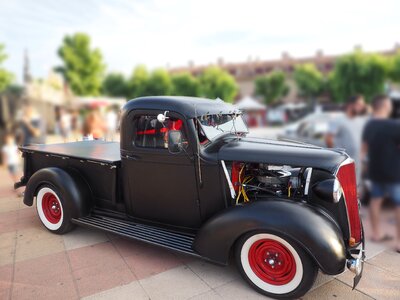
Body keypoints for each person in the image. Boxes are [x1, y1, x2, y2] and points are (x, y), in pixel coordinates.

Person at [361, 95, 400, 252]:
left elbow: (364, 150)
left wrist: (364, 167)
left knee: (375, 201)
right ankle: (399, 242)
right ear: (384, 106)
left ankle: (376, 234)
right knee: (398, 205)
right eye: (389, 104)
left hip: (374, 171)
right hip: (393, 172)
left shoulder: (369, 125)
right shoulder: (394, 125)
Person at [325, 94, 368, 182]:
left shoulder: (361, 121)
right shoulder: (338, 120)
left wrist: (363, 158)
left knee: (356, 190)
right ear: (350, 105)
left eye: (362, 105)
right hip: (343, 165)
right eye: (359, 104)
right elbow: (328, 138)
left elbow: (363, 141)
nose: (361, 107)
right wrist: (338, 157)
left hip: (357, 164)